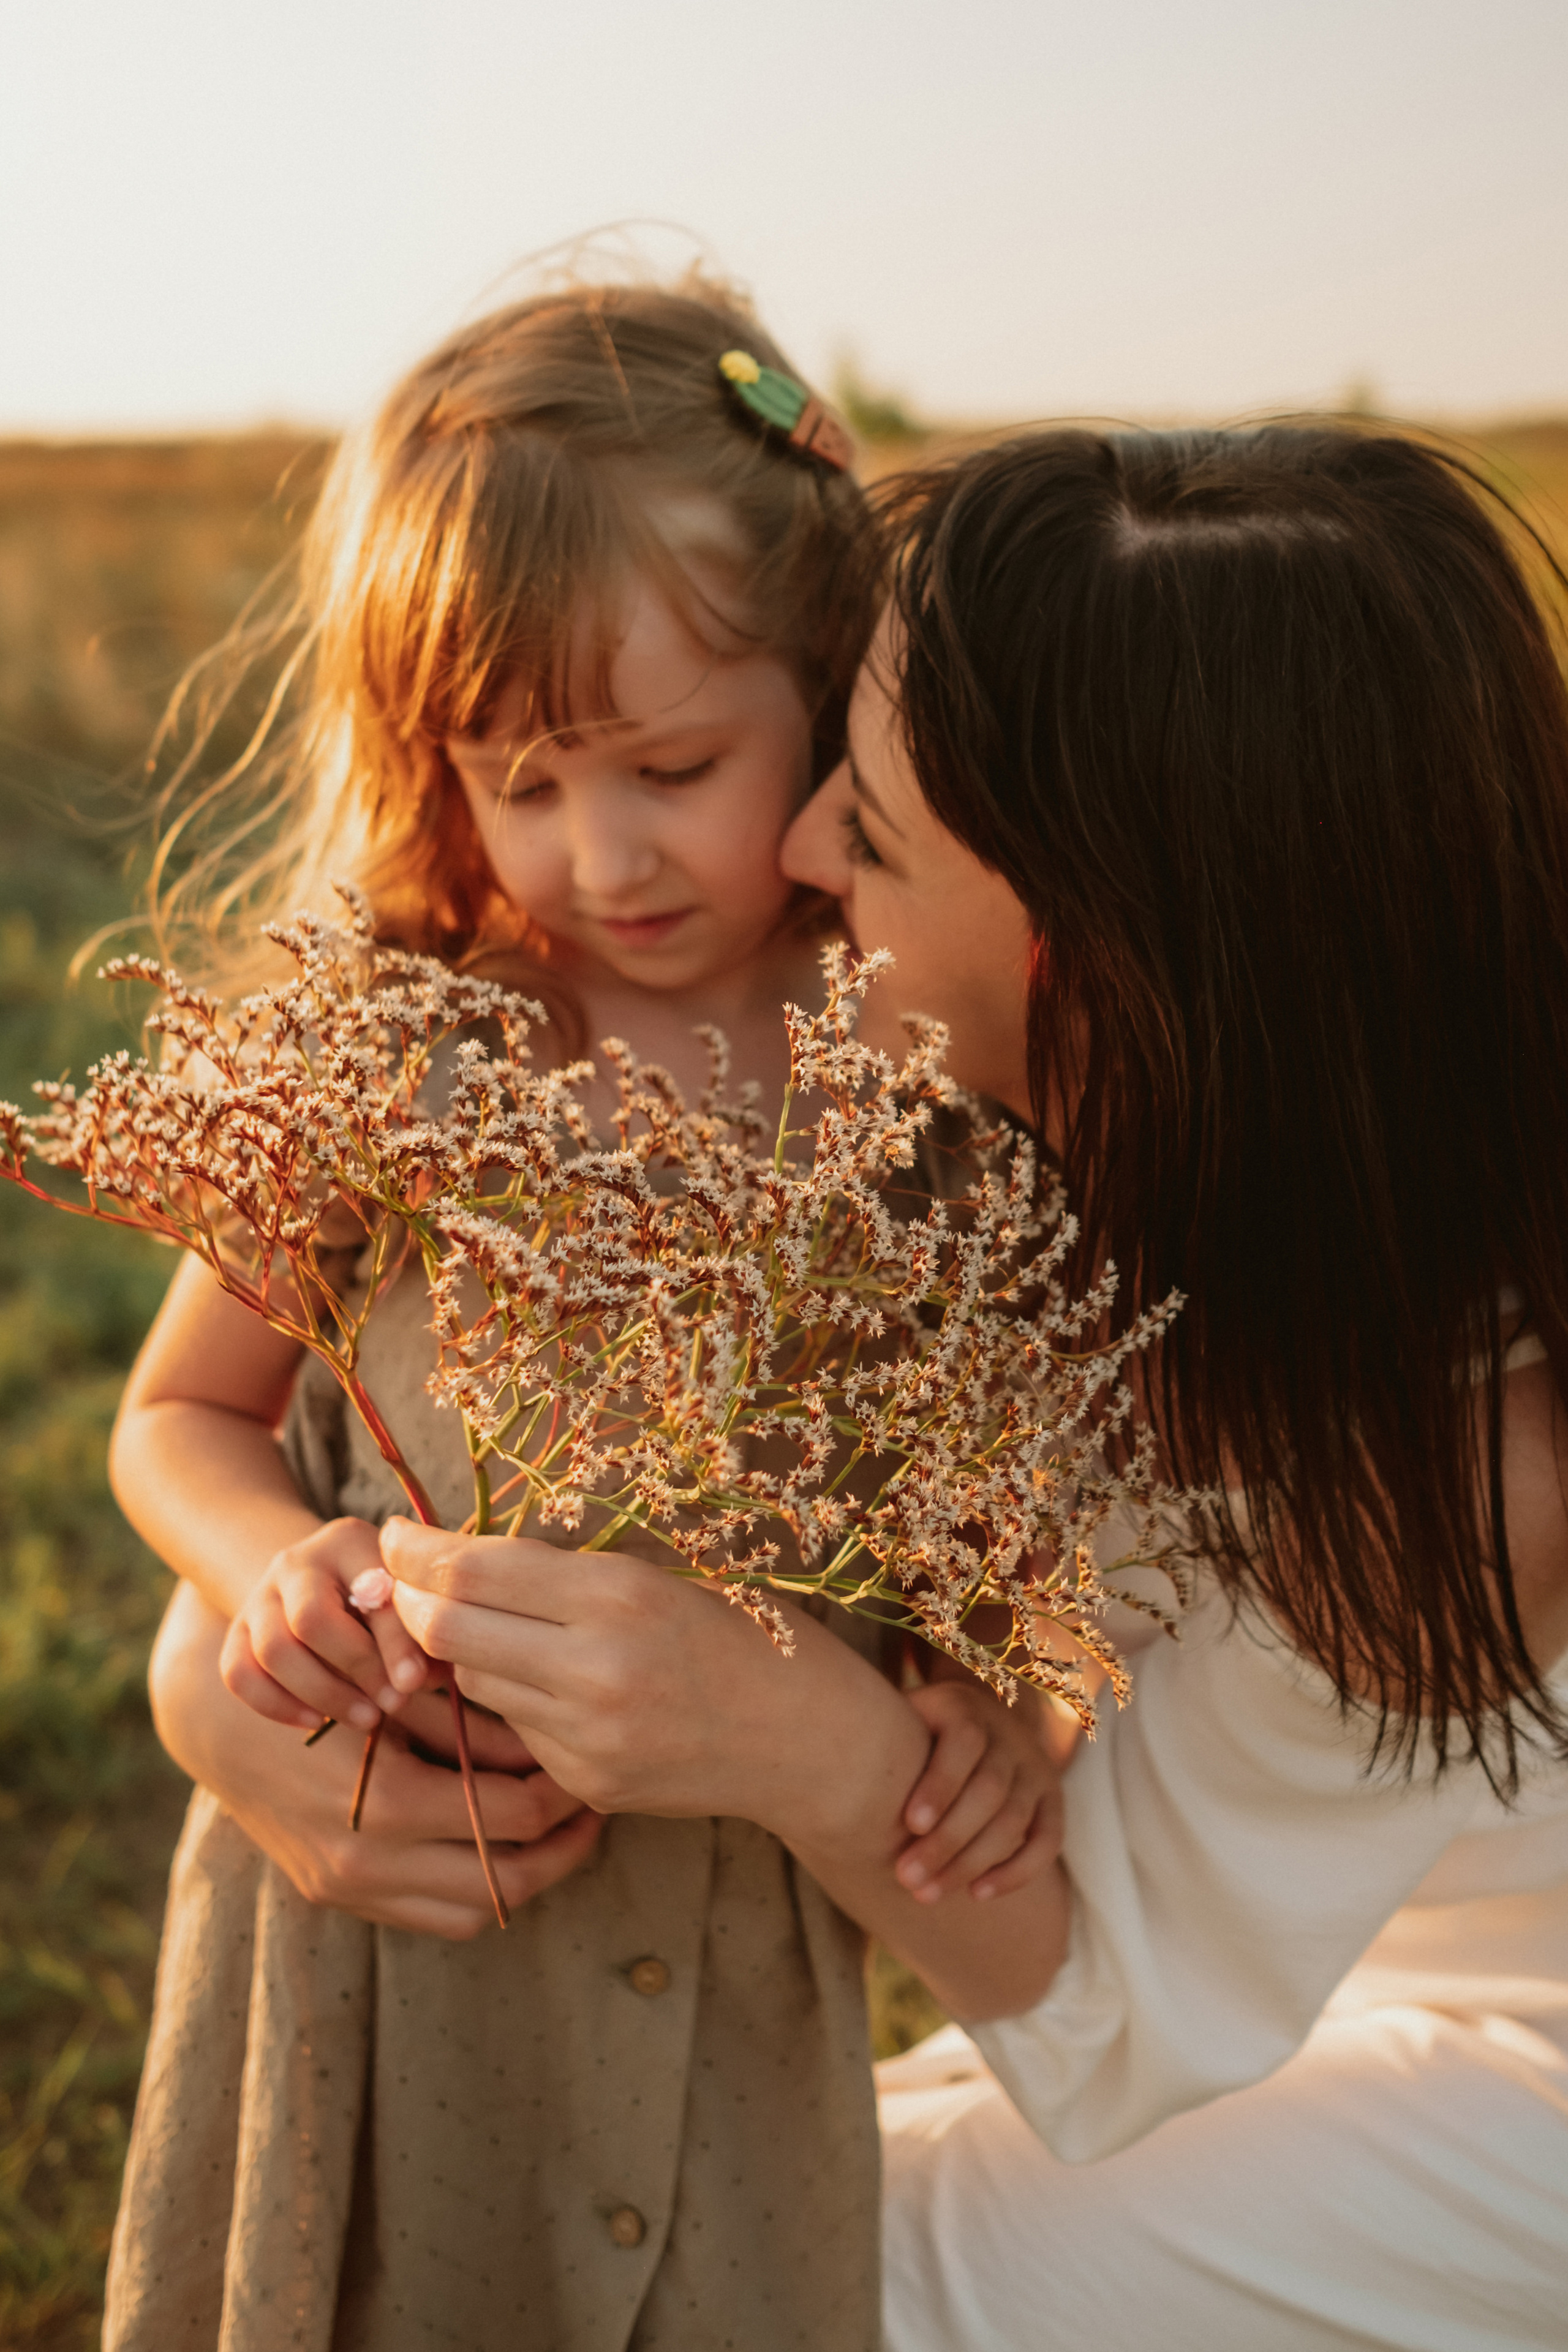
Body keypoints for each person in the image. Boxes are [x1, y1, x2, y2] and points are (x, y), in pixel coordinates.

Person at [380, 422, 1568, 2351]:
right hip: (1302, 1959)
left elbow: (1117, 2027)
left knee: (801, 2287)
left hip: (1514, 2073)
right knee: (755, 2177)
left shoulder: (1466, 1442)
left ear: (1093, 954)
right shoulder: (1154, 1135)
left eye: (879, 824)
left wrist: (764, 1728)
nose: (798, 847)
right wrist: (219, 1674)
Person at [102, 277, 1060, 2352]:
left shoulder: (905, 1060)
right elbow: (175, 1419)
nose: (599, 852)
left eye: (672, 765)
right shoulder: (397, 1039)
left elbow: (980, 1499)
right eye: (517, 777)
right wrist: (272, 1575)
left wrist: (987, 1700)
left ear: (825, 689)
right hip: (369, 1935)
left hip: (722, 1980)